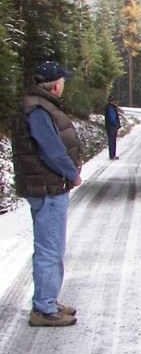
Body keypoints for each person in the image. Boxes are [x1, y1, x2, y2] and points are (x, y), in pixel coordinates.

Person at [11, 61, 82, 327]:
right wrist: (70, 173)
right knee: (50, 247)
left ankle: (48, 299)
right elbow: (51, 149)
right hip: (48, 186)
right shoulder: (39, 109)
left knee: (50, 246)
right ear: (55, 84)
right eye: (63, 80)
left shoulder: (36, 105)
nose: (64, 85)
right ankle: (44, 307)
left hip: (46, 185)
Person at [104, 94, 122, 159]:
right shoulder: (111, 108)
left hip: (109, 126)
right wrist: (116, 124)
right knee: (112, 141)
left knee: (111, 140)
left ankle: (112, 155)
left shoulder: (108, 107)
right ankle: (112, 155)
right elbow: (112, 117)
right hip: (112, 127)